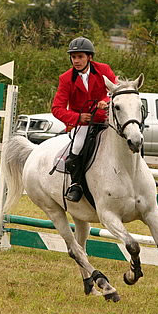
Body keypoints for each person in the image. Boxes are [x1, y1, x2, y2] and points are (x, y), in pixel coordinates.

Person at [52, 37, 116, 202]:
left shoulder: (104, 70)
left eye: (80, 56)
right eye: (73, 57)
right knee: (78, 147)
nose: (76, 61)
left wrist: (106, 101)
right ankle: (76, 184)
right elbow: (56, 108)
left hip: (106, 119)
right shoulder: (66, 78)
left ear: (89, 57)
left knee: (131, 134)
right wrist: (78, 117)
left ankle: (142, 175)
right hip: (84, 124)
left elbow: (114, 90)